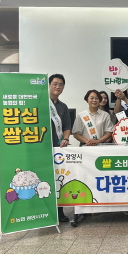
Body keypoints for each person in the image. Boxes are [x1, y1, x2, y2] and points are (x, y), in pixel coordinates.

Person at [49, 73, 72, 223]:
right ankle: (44, 212)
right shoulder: (40, 103)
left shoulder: (63, 107)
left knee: (58, 179)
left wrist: (66, 138)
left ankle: (60, 212)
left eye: (61, 84)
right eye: (55, 84)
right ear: (49, 85)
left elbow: (67, 127)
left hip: (57, 149)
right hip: (41, 148)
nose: (58, 87)